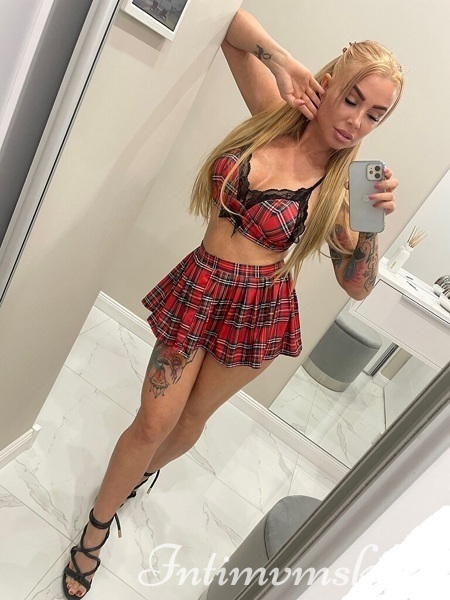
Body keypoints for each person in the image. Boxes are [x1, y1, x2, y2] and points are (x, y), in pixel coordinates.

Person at [63, 8, 403, 598]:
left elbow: (357, 286)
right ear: (327, 83)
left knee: (190, 420)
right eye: (351, 99)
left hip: (260, 310)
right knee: (153, 421)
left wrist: (371, 227)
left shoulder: (347, 190)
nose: (357, 122)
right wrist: (285, 61)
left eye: (375, 114)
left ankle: (138, 477)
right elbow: (226, 24)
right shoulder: (273, 112)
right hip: (203, 285)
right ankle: (95, 529)